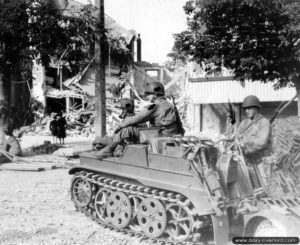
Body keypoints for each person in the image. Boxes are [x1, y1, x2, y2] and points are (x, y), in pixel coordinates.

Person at [96, 81, 180, 159]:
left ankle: (109, 150)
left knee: (127, 130)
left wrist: (120, 126)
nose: (147, 96)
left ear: (155, 95)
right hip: (170, 135)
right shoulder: (171, 105)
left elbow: (137, 118)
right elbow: (179, 124)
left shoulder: (154, 107)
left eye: (149, 94)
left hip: (159, 136)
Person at [234, 95, 271, 189]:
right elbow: (237, 137)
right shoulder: (244, 123)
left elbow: (261, 141)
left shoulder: (264, 122)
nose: (246, 111)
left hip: (261, 160)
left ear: (256, 108)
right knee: (249, 188)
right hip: (247, 160)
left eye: (249, 108)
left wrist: (244, 143)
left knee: (264, 187)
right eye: (245, 108)